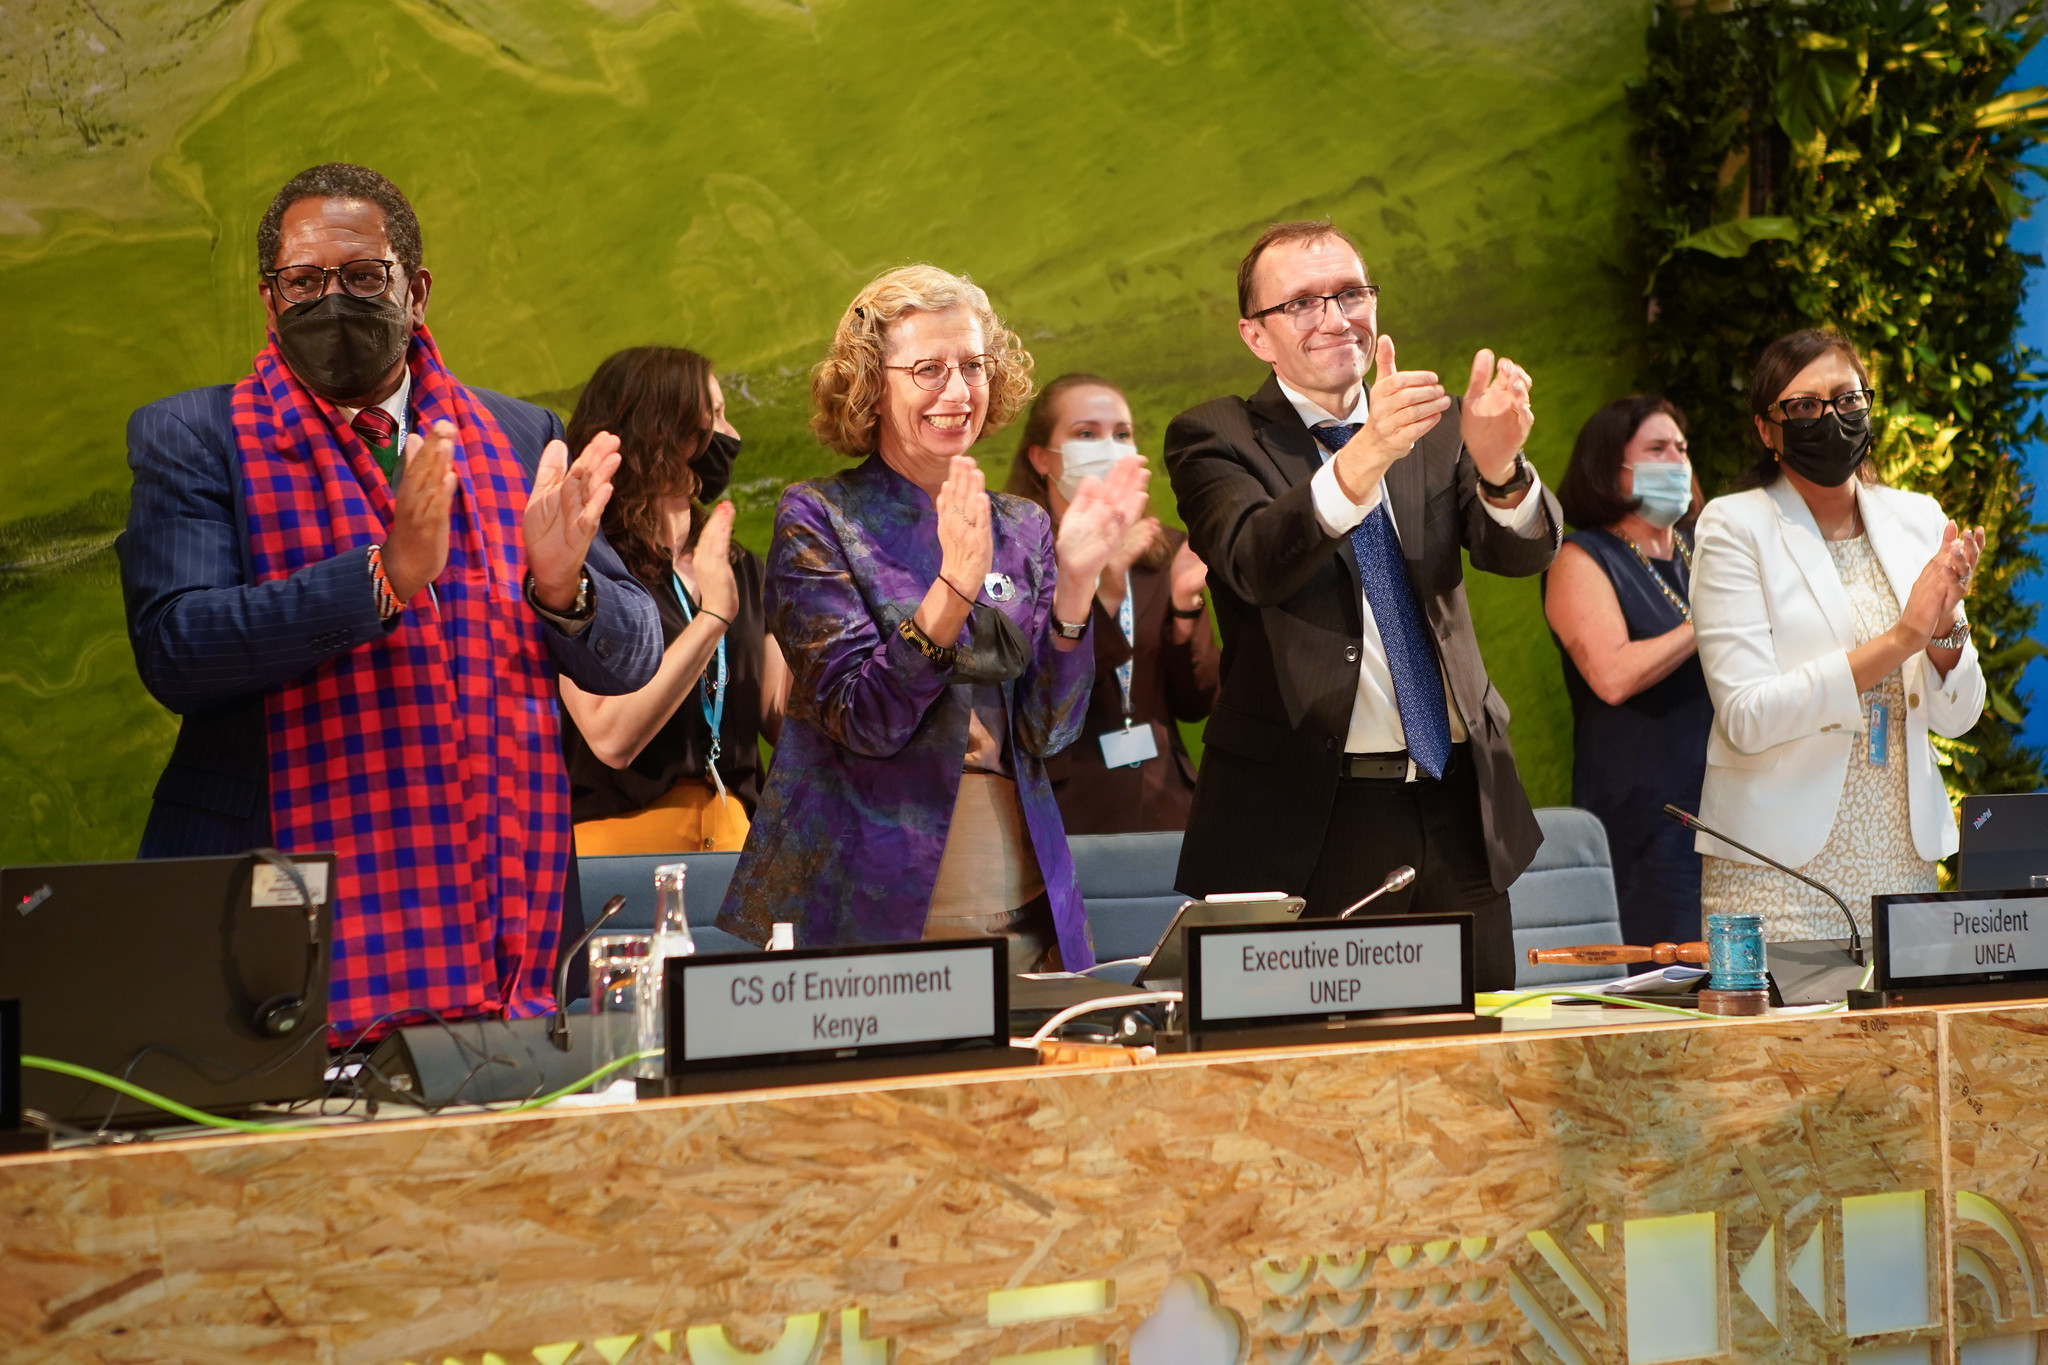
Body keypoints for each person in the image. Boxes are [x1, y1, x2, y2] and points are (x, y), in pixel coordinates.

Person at [117, 163, 663, 1042]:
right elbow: (178, 648)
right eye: (304, 281)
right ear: (270, 300)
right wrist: (385, 576)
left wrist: (563, 589)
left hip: (506, 928)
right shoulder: (195, 436)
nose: (333, 299)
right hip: (280, 928)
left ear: (416, 290)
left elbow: (632, 655)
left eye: (364, 276)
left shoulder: (522, 436)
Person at [715, 265, 1150, 972]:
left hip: (1026, 898)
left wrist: (1075, 584)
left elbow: (1050, 729)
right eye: (927, 369)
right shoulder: (819, 516)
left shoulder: (1023, 524)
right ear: (870, 385)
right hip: (872, 905)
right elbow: (863, 717)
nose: (957, 391)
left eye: (973, 366)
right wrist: (953, 586)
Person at [1164, 219, 1560, 989]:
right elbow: (1254, 560)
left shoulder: (1429, 421)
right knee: (1313, 1075)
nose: (1336, 317)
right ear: (1255, 335)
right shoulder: (1216, 436)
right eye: (1303, 304)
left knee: (1477, 1067)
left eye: (1350, 293)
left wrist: (1501, 464)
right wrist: (1367, 450)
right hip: (1310, 818)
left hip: (1458, 808)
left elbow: (1519, 551)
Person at [1692, 329, 1984, 941]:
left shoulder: (1917, 518)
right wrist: (1901, 639)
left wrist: (1942, 634)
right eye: (1802, 407)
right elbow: (1746, 716)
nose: (1830, 417)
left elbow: (1958, 716)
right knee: (1788, 1043)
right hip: (1779, 873)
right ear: (1767, 430)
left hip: (1901, 857)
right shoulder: (1734, 526)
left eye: (1847, 399)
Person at [555, 347, 790, 855]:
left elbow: (782, 716)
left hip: (738, 848)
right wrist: (710, 621)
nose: (731, 434)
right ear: (660, 429)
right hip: (622, 855)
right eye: (716, 415)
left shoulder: (738, 564)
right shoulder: (586, 564)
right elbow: (611, 738)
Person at [1006, 374, 1220, 833]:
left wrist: (1186, 606)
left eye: (1121, 434)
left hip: (1168, 807)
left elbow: (1196, 702)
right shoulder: (1014, 562)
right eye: (1086, 434)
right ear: (1041, 458)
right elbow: (1033, 703)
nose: (1109, 447)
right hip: (1068, 813)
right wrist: (1105, 584)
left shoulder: (1164, 548)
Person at [1544, 395, 1712, 944]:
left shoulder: (1701, 551)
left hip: (1728, 812)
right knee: (1664, 988)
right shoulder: (1581, 558)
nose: (1678, 462)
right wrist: (1710, 621)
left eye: (1682, 449)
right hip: (1647, 820)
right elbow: (1611, 676)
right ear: (1610, 467)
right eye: (1658, 448)